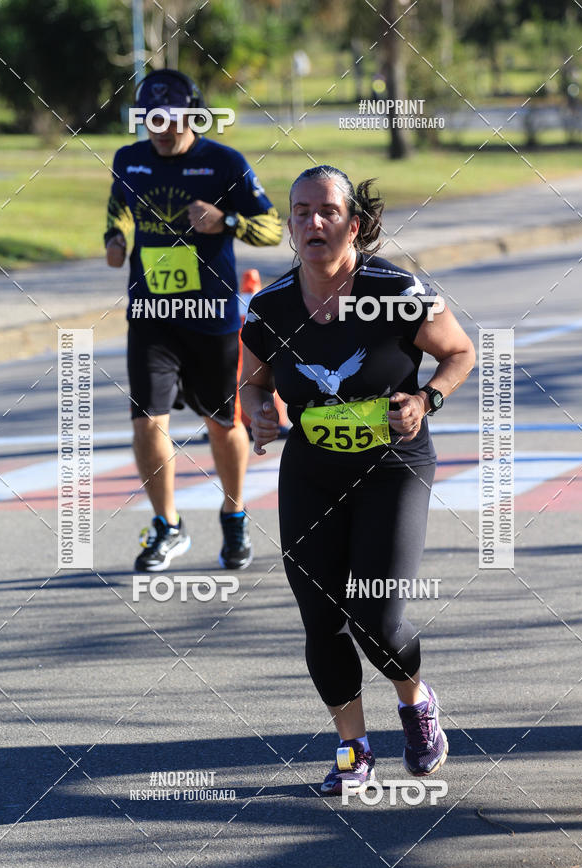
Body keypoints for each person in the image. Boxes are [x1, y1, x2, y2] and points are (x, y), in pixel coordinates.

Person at [239, 166, 475, 794]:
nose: (313, 222)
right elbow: (251, 383)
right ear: (289, 224)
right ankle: (353, 750)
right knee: (321, 618)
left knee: (377, 614)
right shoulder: (271, 307)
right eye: (300, 212)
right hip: (313, 471)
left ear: (356, 223)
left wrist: (427, 399)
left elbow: (460, 352)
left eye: (327, 211)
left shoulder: (396, 290)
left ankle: (415, 701)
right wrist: (259, 414)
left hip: (392, 467)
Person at [104, 69, 282, 572]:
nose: (159, 127)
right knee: (146, 423)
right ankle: (167, 524)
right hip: (152, 314)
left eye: (170, 116)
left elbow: (271, 228)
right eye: (149, 118)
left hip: (211, 317)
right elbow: (119, 210)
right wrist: (114, 240)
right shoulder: (129, 160)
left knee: (221, 424)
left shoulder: (223, 163)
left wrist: (225, 221)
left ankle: (234, 512)